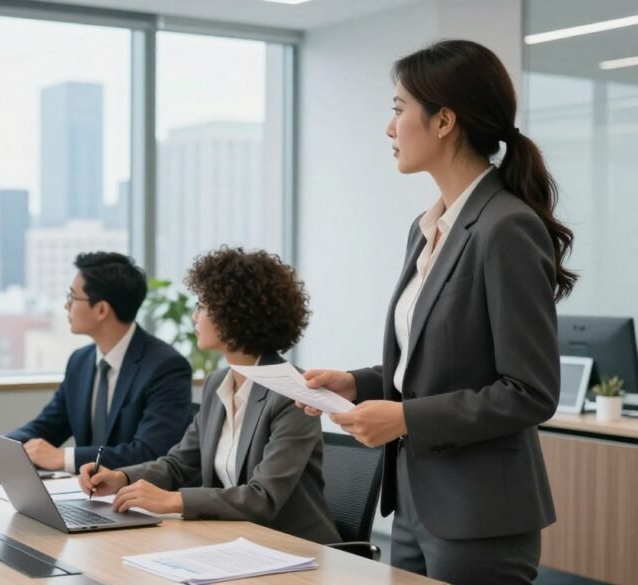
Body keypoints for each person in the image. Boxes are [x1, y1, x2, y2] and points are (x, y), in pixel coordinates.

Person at [299, 39, 575, 583]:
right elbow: (436, 367)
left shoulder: (506, 228)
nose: (389, 127)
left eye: (398, 108)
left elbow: (531, 391)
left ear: (444, 120)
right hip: (416, 504)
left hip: (480, 516)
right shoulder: (429, 229)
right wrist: (357, 383)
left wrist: (403, 418)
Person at [81, 247, 340, 543]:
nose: (194, 317)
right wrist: (121, 478)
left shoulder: (291, 394)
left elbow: (262, 498)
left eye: (201, 306)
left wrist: (173, 501)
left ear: (235, 314)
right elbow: (180, 463)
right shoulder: (219, 383)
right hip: (236, 541)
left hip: (294, 549)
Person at [0, 252, 192, 472]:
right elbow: (48, 426)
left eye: (72, 297)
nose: (66, 306)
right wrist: (1, 445)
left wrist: (64, 457)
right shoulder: (80, 361)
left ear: (102, 309)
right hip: (85, 495)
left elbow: (150, 453)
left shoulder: (166, 367)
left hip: (136, 501)